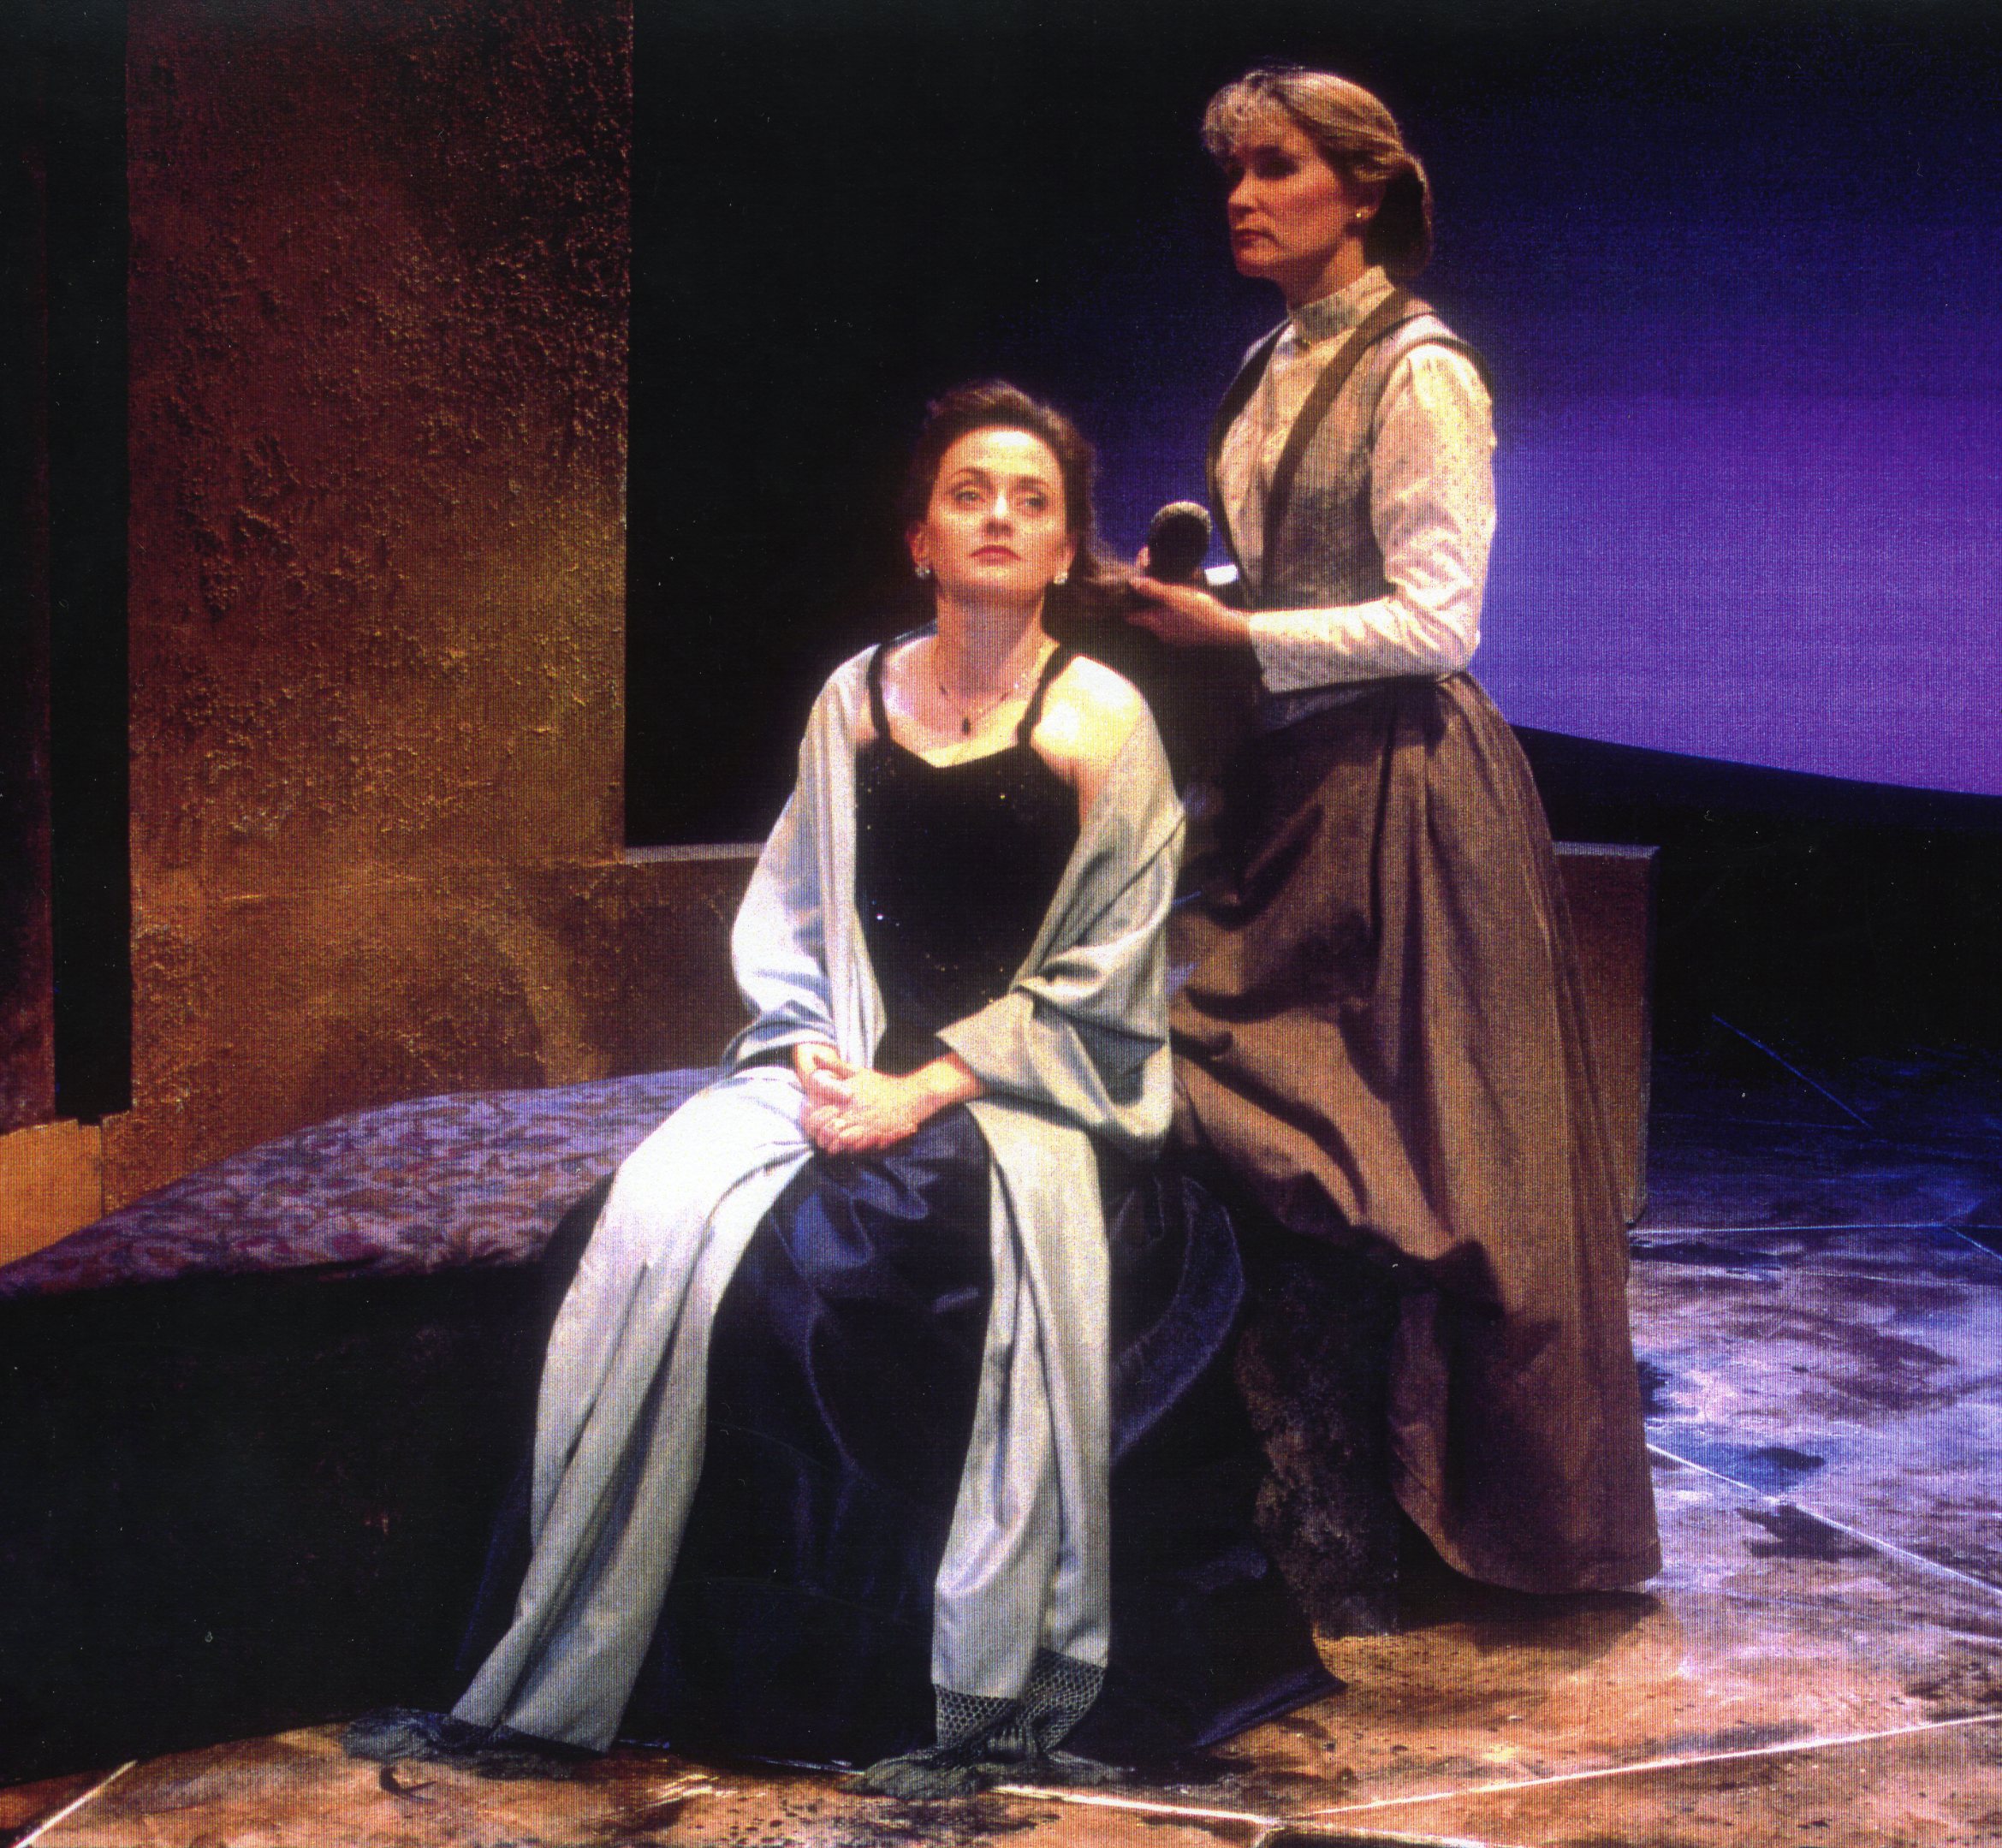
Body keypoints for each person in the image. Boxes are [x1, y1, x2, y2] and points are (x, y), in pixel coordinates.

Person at [348, 382, 1334, 1796]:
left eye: (1033, 502)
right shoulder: (856, 699)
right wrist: (812, 1042)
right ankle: (627, 1655)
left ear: (1066, 551)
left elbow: (1109, 971)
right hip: (852, 1054)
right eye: (968, 494)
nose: (999, 518)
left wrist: (925, 1091)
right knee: (640, 1226)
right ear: (921, 537)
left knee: (844, 1258)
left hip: (1023, 1091)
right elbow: (802, 912)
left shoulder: (1103, 716)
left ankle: (857, 1678)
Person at [1125, 66, 1660, 1598]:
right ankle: (1290, 1508)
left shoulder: (1421, 371)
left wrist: (1237, 637)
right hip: (1290, 781)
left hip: (1403, 797)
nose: (1242, 198)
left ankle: (1470, 1522)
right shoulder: (1271, 357)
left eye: (1277, 168)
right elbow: (1303, 583)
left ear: (1361, 189)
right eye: (1232, 172)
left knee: (1447, 1164)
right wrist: (1174, 605)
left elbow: (1437, 622)